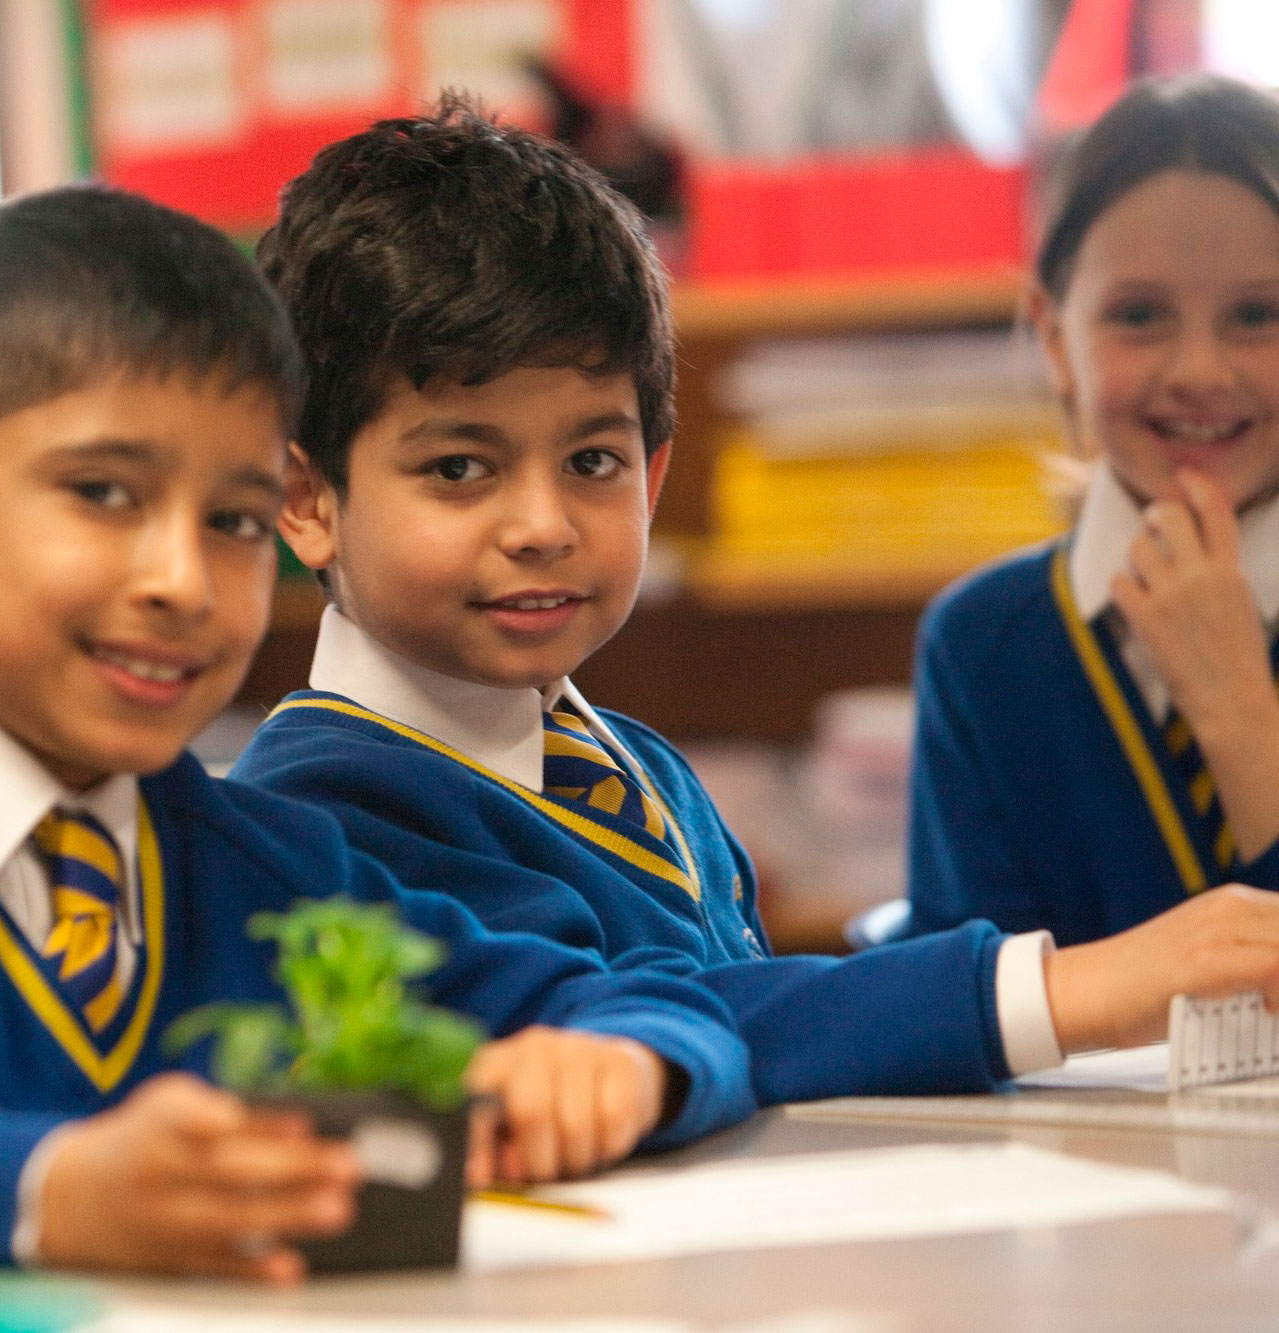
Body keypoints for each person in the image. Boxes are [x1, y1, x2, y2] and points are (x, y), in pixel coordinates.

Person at [0, 186, 757, 1280]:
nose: (181, 579)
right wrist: (50, 1190)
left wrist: (632, 1061)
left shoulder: (257, 857)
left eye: (234, 520)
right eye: (104, 494)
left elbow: (625, 995)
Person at [228, 96, 1279, 1112]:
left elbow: (741, 1033)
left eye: (592, 461)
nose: (542, 524)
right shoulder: (309, 823)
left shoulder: (640, 771)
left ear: (653, 476)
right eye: (459, 468)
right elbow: (630, 1015)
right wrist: (1064, 988)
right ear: (304, 499)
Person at [907, 75, 1279, 945]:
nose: (1200, 370)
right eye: (1138, 315)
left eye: (1258, 314)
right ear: (1052, 337)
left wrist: (1238, 714)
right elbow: (975, 994)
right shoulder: (981, 645)